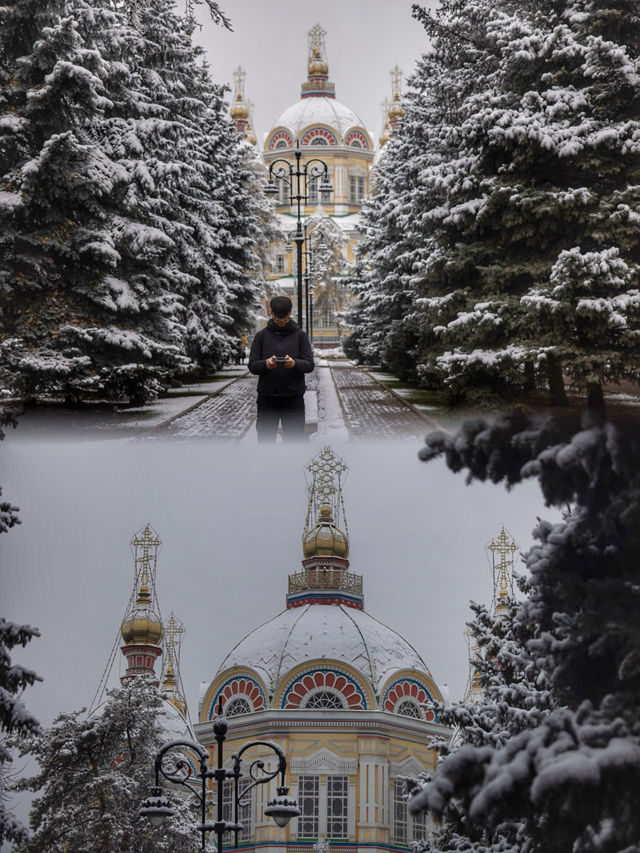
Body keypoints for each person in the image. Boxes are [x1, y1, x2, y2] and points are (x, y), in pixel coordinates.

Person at [248, 296, 314, 442]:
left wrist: (294, 363)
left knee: (294, 442)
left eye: (284, 318)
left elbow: (309, 364)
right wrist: (266, 364)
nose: (281, 321)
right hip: (267, 400)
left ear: (290, 313)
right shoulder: (261, 337)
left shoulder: (300, 336)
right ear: (271, 314)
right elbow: (252, 366)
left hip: (293, 400)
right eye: (278, 319)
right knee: (265, 442)